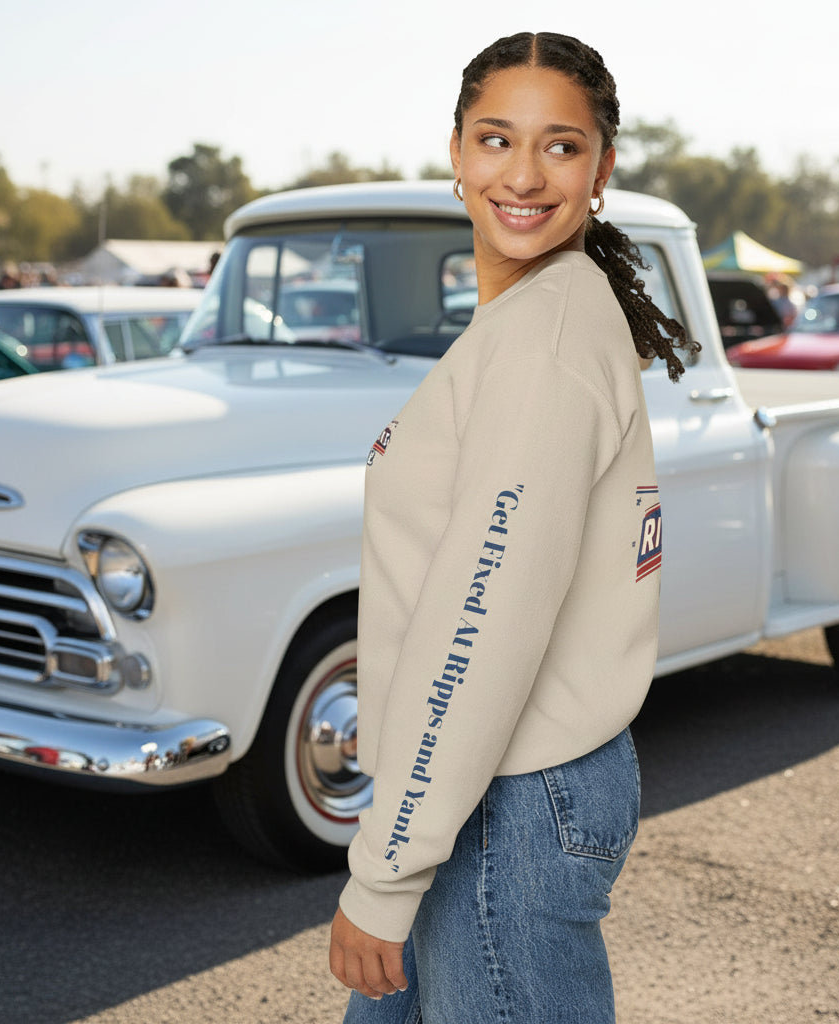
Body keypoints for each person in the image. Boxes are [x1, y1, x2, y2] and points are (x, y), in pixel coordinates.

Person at [328, 31, 695, 1023]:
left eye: (561, 146)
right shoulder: (524, 318)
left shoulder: (547, 339)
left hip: (507, 805)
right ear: (455, 153)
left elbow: (482, 619)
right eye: (496, 139)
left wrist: (385, 872)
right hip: (468, 788)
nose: (524, 174)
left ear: (602, 168)